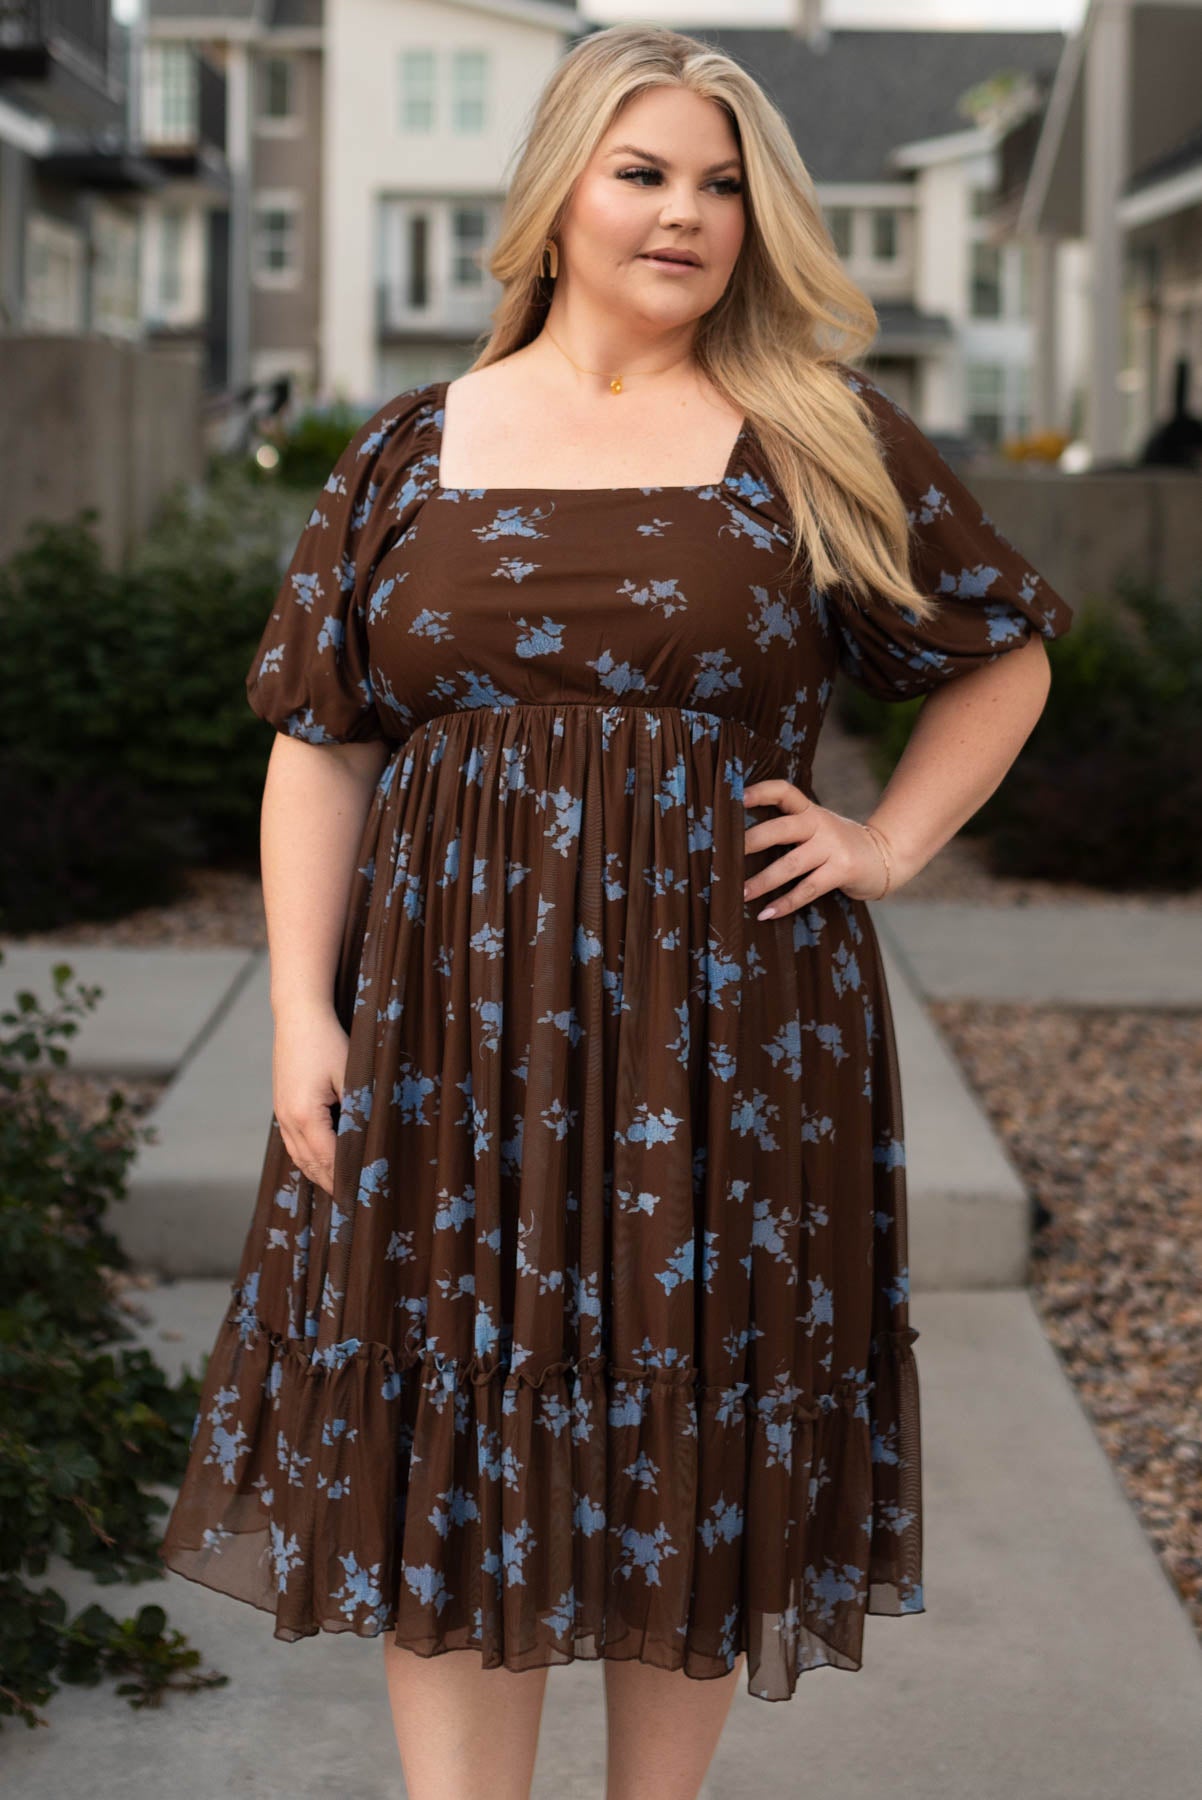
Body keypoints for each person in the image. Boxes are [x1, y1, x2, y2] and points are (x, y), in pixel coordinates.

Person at [158, 23, 1073, 1800]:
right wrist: (297, 1008)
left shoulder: (809, 434)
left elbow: (1000, 651)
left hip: (728, 1021)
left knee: (689, 1407)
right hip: (441, 1023)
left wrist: (887, 844)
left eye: (724, 186)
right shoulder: (411, 449)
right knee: (449, 1415)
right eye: (644, 171)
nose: (686, 214)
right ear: (559, 192)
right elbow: (320, 746)